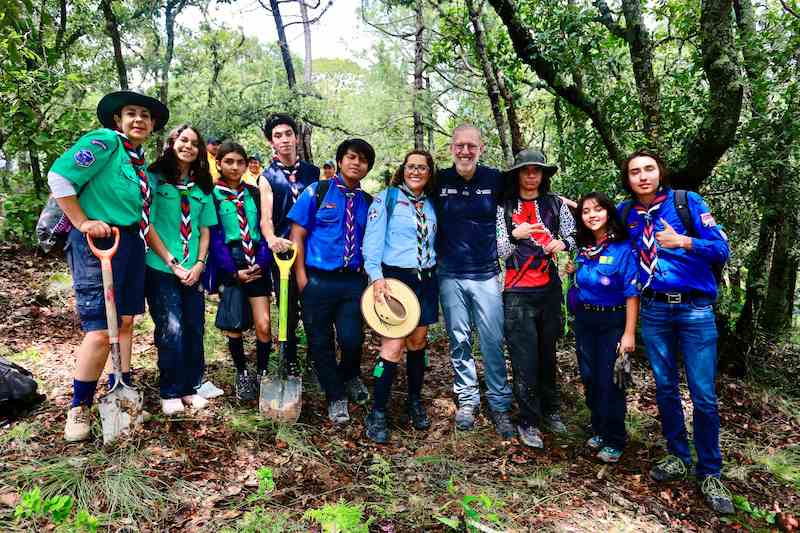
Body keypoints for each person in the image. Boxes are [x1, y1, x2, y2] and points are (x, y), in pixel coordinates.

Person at [47, 90, 168, 441]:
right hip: (97, 243)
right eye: (131, 113)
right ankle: (79, 407)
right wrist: (83, 222)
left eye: (145, 115)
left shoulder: (136, 160)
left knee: (126, 321)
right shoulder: (104, 143)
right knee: (101, 329)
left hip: (129, 243)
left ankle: (122, 393)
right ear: (118, 120)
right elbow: (60, 177)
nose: (138, 120)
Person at [618, 149, 732, 514]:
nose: (643, 176)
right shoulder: (626, 213)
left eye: (648, 169)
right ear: (628, 179)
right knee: (665, 387)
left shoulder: (686, 202)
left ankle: (710, 471)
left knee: (703, 394)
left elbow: (721, 248)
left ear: (660, 172)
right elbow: (600, 229)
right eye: (635, 172)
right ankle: (677, 455)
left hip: (694, 309)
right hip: (654, 310)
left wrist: (683, 241)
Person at [434, 124, 513, 437]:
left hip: (487, 274)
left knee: (493, 339)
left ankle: (500, 402)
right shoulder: (438, 180)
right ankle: (467, 399)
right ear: (451, 148)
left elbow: (527, 196)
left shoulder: (495, 179)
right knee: (460, 339)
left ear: (481, 148)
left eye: (471, 146)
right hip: (449, 273)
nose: (465, 151)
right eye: (459, 145)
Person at [288, 138, 374, 424]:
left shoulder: (368, 202)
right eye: (350, 157)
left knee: (352, 338)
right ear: (340, 160)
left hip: (352, 283)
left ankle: (350, 375)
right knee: (320, 341)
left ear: (367, 168)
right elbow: (297, 235)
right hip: (317, 281)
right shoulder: (317, 191)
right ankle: (335, 395)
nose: (356, 163)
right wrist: (302, 279)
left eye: (362, 160)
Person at [495, 148, 576, 446]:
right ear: (518, 174)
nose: (531, 175)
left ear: (543, 174)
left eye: (536, 170)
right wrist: (516, 236)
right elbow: (500, 250)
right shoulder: (504, 208)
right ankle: (528, 420)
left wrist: (560, 243)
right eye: (526, 170)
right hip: (517, 290)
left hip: (549, 288)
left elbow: (573, 235)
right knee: (523, 356)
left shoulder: (555, 204)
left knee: (547, 352)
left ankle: (550, 410)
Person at [361, 150, 438, 443]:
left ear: (430, 172)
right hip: (395, 280)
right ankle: (378, 410)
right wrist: (376, 277)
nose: (416, 172)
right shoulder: (387, 199)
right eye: (411, 167)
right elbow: (372, 243)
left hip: (426, 279)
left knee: (418, 342)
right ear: (402, 169)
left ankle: (414, 400)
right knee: (392, 347)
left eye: (422, 167)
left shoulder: (432, 205)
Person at [145, 124, 217, 415]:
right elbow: (147, 225)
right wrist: (173, 264)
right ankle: (170, 389)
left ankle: (190, 387)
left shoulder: (202, 188)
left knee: (193, 328)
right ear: (172, 143)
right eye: (183, 140)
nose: (189, 146)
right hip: (161, 268)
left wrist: (199, 264)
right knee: (170, 328)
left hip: (193, 270)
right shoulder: (155, 179)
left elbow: (205, 229)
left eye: (194, 143)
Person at [568, 192, 638, 462]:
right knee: (589, 377)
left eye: (597, 210)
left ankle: (615, 438)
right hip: (585, 321)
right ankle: (599, 428)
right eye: (585, 211)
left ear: (608, 213)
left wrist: (629, 333)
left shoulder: (622, 249)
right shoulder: (583, 249)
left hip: (613, 321)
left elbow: (632, 293)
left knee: (610, 381)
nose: (591, 215)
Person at [207, 141, 272, 401]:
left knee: (264, 324)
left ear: (246, 165)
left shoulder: (254, 193)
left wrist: (263, 260)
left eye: (240, 162)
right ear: (219, 164)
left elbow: (266, 229)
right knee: (234, 323)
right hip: (230, 262)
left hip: (256, 260)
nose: (235, 167)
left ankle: (263, 370)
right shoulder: (212, 194)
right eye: (229, 162)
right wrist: (233, 272)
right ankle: (242, 372)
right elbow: (213, 237)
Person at [259, 113, 320, 375]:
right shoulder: (267, 176)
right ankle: (290, 357)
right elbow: (266, 218)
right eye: (277, 136)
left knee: (315, 305)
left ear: (296, 137)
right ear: (271, 142)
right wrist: (272, 239)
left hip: (313, 249)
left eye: (288, 134)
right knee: (287, 306)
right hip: (285, 252)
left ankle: (317, 356)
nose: (284, 140)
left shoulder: (313, 172)